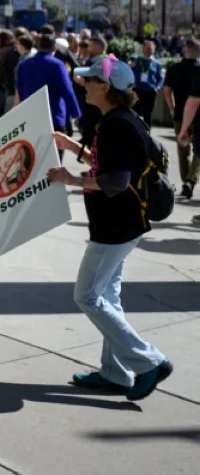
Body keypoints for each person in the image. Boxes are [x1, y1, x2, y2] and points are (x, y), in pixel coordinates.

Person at [48, 56, 172, 401]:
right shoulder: (123, 120)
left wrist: (70, 179)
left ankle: (148, 361)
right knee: (107, 297)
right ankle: (115, 373)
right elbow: (113, 167)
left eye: (89, 81)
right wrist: (74, 148)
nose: (83, 85)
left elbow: (115, 182)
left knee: (86, 295)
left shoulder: (116, 125)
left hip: (115, 225)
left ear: (105, 88)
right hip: (126, 223)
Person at [15, 34, 81, 146]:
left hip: (30, 117)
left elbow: (20, 91)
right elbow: (67, 90)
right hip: (54, 115)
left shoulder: (23, 65)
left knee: (35, 154)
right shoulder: (57, 65)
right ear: (54, 48)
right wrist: (76, 113)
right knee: (55, 155)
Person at [162, 38, 200, 198]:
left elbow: (166, 90)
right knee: (199, 151)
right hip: (199, 116)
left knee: (183, 149)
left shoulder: (174, 69)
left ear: (185, 50)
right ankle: (191, 179)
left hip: (179, 115)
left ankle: (186, 180)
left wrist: (172, 108)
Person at [131, 39, 164, 127]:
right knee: (134, 111)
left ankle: (147, 131)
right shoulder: (137, 60)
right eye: (147, 47)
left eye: (151, 48)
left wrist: (157, 88)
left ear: (154, 49)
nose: (149, 49)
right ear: (143, 48)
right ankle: (133, 128)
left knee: (147, 113)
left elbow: (160, 78)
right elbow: (130, 72)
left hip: (150, 91)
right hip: (137, 89)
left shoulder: (157, 63)